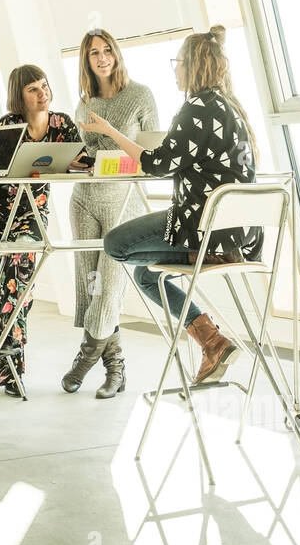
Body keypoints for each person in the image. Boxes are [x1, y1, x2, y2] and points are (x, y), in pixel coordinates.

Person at [87, 25, 263, 385]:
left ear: (192, 65)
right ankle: (211, 341)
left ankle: (211, 327)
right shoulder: (230, 107)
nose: (175, 69)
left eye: (177, 62)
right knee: (146, 273)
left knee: (115, 244)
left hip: (205, 231)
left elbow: (155, 164)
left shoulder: (195, 109)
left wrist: (111, 133)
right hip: (238, 236)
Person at [0, 65, 82, 396]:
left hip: (31, 213)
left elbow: (82, 161)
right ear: (19, 96)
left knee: (19, 282)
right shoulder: (8, 125)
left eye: (44, 86)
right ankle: (6, 373)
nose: (42, 93)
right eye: (33, 89)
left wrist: (60, 164)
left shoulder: (61, 124)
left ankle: (9, 359)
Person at [63, 28, 159, 399]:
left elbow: (152, 155)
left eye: (107, 50)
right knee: (90, 284)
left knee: (110, 286)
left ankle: (85, 361)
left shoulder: (140, 96)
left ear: (116, 54)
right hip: (84, 198)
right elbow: (84, 155)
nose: (102, 58)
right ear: (85, 61)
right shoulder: (84, 103)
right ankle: (115, 370)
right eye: (93, 54)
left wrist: (110, 133)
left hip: (123, 201)